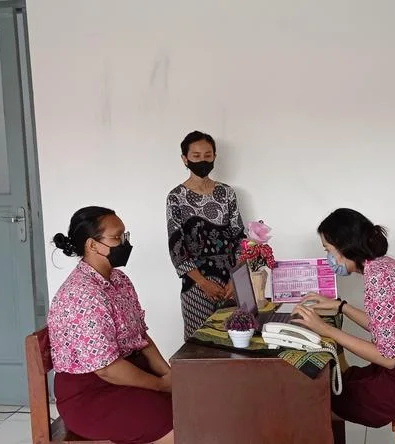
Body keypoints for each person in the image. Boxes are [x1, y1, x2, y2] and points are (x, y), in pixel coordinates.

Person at [292, 208, 395, 428]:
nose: (328, 257)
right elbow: (385, 328)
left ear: (344, 247)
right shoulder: (383, 265)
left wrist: (326, 330)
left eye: (328, 249)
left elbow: (388, 358)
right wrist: (341, 307)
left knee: (329, 395)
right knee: (345, 380)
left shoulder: (378, 279)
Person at [48, 206, 174, 444]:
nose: (124, 244)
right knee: (177, 422)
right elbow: (106, 369)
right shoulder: (81, 294)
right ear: (92, 245)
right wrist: (159, 385)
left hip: (128, 376)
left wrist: (169, 375)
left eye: (125, 236)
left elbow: (141, 337)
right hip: (91, 395)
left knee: (192, 402)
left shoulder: (119, 280)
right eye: (117, 238)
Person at [166, 130, 246, 340]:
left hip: (230, 283)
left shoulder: (227, 192)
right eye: (196, 156)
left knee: (236, 339)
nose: (203, 160)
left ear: (215, 156)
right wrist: (202, 282)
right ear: (185, 159)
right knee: (199, 345)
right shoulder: (176, 197)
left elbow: (239, 236)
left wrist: (236, 279)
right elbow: (176, 246)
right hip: (196, 285)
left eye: (207, 155)